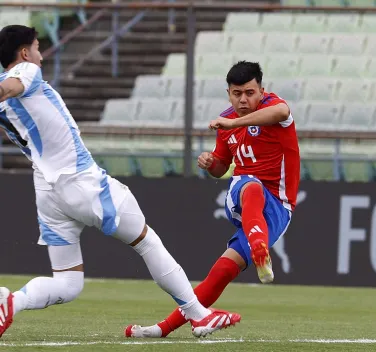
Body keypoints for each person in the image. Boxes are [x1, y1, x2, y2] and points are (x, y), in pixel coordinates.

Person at [0, 25, 241, 339]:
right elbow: (14, 85)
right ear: (23, 52)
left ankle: (9, 302)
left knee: (68, 284)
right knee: (147, 241)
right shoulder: (24, 71)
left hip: (47, 192)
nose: (40, 57)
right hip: (81, 181)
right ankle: (199, 315)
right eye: (36, 48)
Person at [126, 61, 300, 338]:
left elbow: (282, 111)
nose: (243, 99)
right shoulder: (226, 123)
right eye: (237, 93)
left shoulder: (271, 108)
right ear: (228, 93)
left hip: (278, 208)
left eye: (250, 92)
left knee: (221, 272)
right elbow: (221, 166)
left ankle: (162, 329)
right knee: (250, 184)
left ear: (262, 91)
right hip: (242, 194)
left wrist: (234, 121)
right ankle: (259, 248)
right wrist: (210, 163)